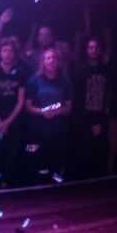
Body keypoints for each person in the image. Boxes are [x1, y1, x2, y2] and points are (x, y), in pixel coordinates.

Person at [23, 48, 73, 184]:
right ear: (43, 62)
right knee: (34, 158)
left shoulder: (65, 81)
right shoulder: (34, 81)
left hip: (58, 131)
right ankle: (36, 185)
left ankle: (56, 187)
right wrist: (42, 112)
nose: (51, 61)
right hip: (36, 131)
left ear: (58, 62)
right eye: (48, 58)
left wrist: (56, 111)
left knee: (56, 161)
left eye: (54, 58)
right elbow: (27, 106)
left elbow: (69, 107)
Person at [70, 37, 113, 179]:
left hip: (101, 117)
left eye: (96, 48)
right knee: (84, 154)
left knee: (100, 153)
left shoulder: (106, 69)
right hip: (84, 119)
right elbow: (78, 98)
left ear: (100, 50)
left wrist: (101, 122)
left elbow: (108, 94)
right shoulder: (81, 70)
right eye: (91, 48)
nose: (93, 50)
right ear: (87, 50)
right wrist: (91, 123)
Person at [0, 38, 29, 187]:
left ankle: (8, 182)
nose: (7, 54)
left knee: (12, 153)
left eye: (10, 51)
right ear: (0, 53)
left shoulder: (20, 73)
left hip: (14, 119)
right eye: (5, 51)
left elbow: (21, 100)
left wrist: (8, 121)